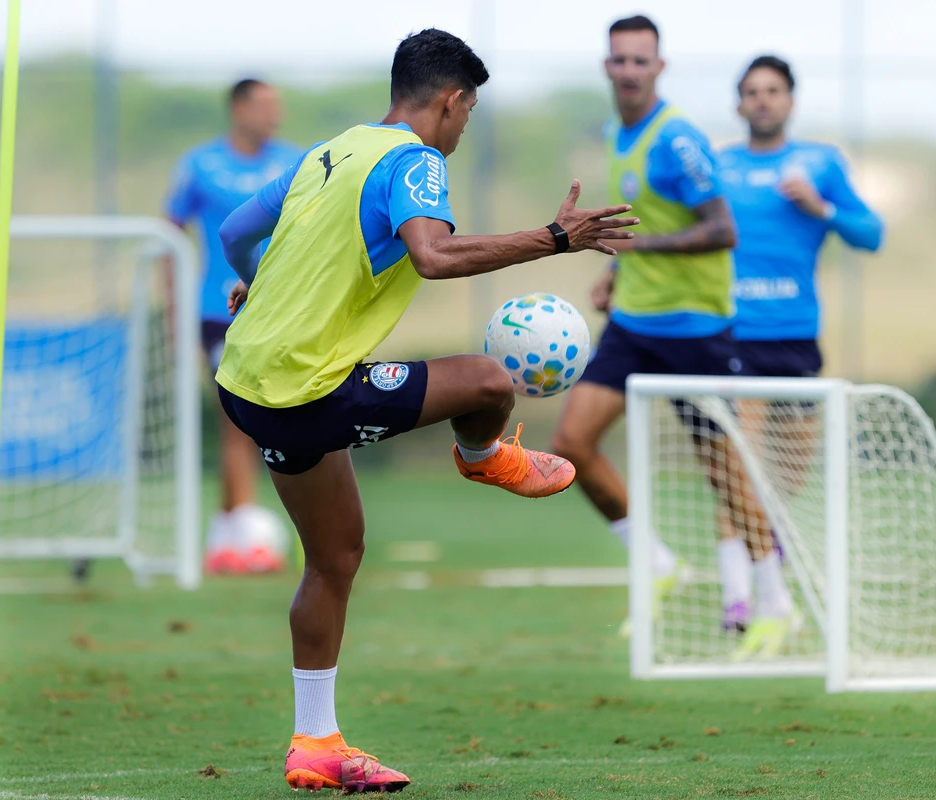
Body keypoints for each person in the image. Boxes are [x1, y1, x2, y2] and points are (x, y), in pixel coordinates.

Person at [215, 28, 639, 793]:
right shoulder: (416, 161)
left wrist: (256, 285)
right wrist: (553, 238)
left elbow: (236, 233)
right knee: (486, 381)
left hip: (246, 383)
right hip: (307, 390)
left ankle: (315, 743)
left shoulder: (331, 149)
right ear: (453, 101)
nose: (464, 127)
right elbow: (434, 257)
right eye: (467, 113)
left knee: (335, 556)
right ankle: (483, 456)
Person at [550, 14, 795, 656]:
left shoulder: (677, 138)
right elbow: (641, 224)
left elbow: (722, 230)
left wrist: (638, 248)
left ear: (659, 67)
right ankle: (656, 562)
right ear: (606, 67)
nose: (629, 70)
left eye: (641, 60)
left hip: (697, 331)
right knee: (572, 444)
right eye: (619, 60)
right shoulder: (616, 132)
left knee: (723, 473)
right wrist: (615, 268)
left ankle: (775, 600)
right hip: (633, 323)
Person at [714, 55, 884, 642]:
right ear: (739, 104)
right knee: (737, 468)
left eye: (773, 90)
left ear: (790, 101)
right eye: (752, 91)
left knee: (788, 474)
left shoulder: (821, 164)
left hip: (796, 339)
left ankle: (767, 550)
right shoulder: (718, 166)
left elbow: (872, 234)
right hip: (735, 337)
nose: (762, 100)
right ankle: (738, 601)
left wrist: (822, 209)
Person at [164, 79, 302, 574]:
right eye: (267, 105)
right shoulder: (199, 166)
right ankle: (241, 527)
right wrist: (172, 309)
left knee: (260, 417)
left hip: (280, 308)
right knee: (239, 416)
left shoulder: (298, 160)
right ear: (239, 109)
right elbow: (170, 234)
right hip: (219, 311)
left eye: (278, 104)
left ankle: (227, 529)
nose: (275, 114)